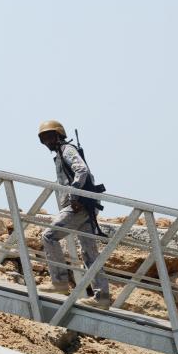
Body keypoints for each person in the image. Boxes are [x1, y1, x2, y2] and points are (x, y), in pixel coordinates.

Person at [37, 120, 112, 309]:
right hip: (86, 207)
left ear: (58, 135)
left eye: (49, 136)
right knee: (89, 253)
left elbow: (81, 169)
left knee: (49, 236)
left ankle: (60, 283)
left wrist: (74, 194)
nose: (47, 141)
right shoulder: (60, 154)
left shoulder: (66, 150)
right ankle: (101, 297)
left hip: (79, 206)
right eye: (43, 138)